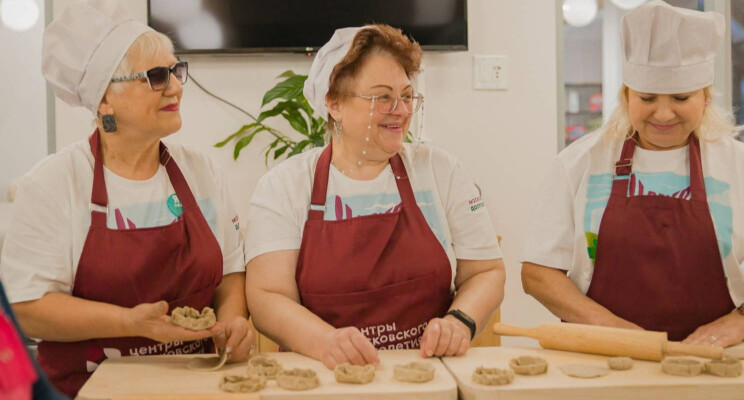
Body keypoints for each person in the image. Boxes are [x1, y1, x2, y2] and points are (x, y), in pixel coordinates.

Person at [0, 1, 252, 396]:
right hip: (87, 389)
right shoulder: (54, 184)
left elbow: (231, 274)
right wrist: (129, 323)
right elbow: (28, 310)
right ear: (104, 100)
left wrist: (234, 322)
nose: (175, 86)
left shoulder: (202, 173)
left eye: (175, 70)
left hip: (198, 384)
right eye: (155, 76)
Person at [520, 0, 744, 346]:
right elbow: (537, 273)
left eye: (681, 98)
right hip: (599, 357)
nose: (663, 114)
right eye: (647, 97)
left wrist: (742, 321)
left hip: (712, 364)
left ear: (706, 97)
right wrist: (608, 326)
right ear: (627, 96)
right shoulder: (579, 163)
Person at [245, 25, 505, 369]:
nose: (400, 109)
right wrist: (326, 342)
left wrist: (460, 320)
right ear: (334, 102)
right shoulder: (284, 186)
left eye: (407, 96)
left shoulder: (441, 172)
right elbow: (267, 297)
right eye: (382, 97)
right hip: (325, 379)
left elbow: (486, 271)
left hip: (428, 375)